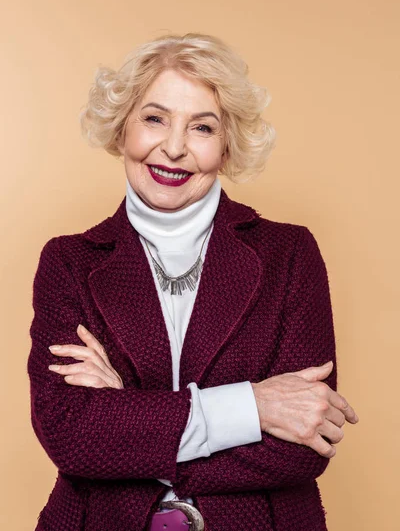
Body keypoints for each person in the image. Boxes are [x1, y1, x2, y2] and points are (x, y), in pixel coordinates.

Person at [27, 32, 359, 531]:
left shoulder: (290, 253)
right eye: (154, 118)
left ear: (228, 146)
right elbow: (72, 436)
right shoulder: (68, 262)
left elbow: (305, 446)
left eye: (202, 127)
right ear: (122, 129)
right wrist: (253, 406)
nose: (175, 147)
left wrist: (127, 420)